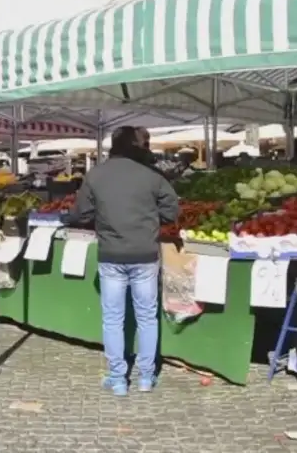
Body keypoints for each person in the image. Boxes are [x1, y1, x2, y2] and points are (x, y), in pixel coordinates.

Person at [67, 126, 179, 396]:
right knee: (147, 317)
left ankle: (118, 379)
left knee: (113, 318)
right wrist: (150, 216)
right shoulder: (152, 176)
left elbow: (81, 213)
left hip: (111, 255)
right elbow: (171, 210)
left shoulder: (96, 175)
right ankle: (146, 377)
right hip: (144, 254)